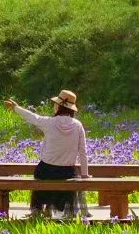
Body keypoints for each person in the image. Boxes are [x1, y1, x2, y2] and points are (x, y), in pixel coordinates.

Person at [5, 89, 88, 219]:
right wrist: (84, 174)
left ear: (59, 106)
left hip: (46, 170)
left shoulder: (49, 122)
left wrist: (16, 108)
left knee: (40, 174)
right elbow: (83, 151)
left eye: (55, 103)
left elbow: (32, 117)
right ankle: (61, 211)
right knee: (70, 177)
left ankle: (38, 210)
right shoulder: (78, 125)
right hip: (67, 172)